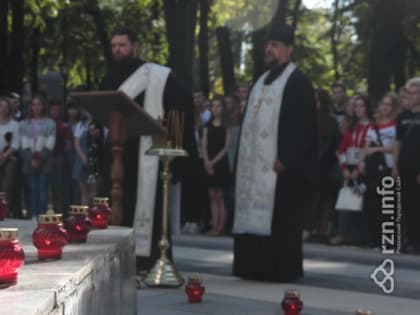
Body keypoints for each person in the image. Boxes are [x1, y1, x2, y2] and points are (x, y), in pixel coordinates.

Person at [99, 28, 196, 271]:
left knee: (147, 210)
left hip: (146, 156)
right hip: (118, 157)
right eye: (114, 46)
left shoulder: (156, 75)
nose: (117, 50)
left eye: (122, 44)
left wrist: (170, 138)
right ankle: (118, 258)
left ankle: (148, 260)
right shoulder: (109, 79)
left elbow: (183, 101)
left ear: (135, 46)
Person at [232, 23, 318, 282]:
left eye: (276, 45)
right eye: (268, 45)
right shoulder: (259, 81)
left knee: (281, 218)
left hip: (279, 168)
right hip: (253, 167)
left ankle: (278, 269)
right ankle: (251, 266)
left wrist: (288, 159)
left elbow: (303, 126)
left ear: (289, 50)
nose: (269, 49)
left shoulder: (298, 82)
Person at [20, 95, 56, 218]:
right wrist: (31, 159)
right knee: (31, 189)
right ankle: (32, 214)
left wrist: (40, 158)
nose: (36, 107)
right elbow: (23, 143)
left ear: (43, 106)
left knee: (42, 189)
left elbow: (50, 142)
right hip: (29, 161)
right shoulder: (24, 124)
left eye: (39, 104)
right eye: (34, 104)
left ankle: (42, 215)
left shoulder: (50, 123)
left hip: (44, 161)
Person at [202, 96, 231, 236]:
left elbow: (226, 148)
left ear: (223, 108)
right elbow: (204, 145)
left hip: (221, 164)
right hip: (209, 163)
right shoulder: (207, 125)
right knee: (212, 195)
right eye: (213, 106)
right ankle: (214, 225)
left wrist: (213, 162)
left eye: (218, 106)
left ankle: (221, 226)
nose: (215, 108)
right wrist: (207, 162)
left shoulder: (226, 125)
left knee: (220, 196)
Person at [0, 97, 20, 217]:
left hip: (9, 157)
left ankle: (4, 212)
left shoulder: (15, 125)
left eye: (6, 107)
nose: (3, 109)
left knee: (7, 183)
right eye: (1, 106)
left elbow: (16, 144)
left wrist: (4, 156)